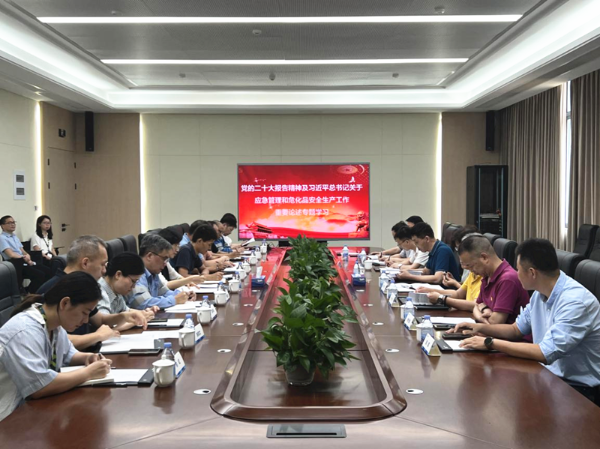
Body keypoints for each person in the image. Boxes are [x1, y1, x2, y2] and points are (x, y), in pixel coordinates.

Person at [455, 239, 600, 405]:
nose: (516, 274)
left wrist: (489, 342)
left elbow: (544, 352)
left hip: (578, 390)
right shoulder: (540, 293)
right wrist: (479, 327)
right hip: (547, 376)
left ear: (532, 273)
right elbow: (516, 330)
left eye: (518, 270)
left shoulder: (575, 302)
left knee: (501, 400)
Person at [0, 272, 113, 421]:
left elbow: (68, 354)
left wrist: (88, 357)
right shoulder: (24, 331)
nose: (86, 320)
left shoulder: (54, 325)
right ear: (65, 303)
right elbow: (40, 387)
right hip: (9, 418)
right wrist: (88, 373)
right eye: (84, 313)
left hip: (34, 411)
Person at [37, 235, 148, 351]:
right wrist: (97, 336)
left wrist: (124, 316)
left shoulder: (83, 286)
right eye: (102, 265)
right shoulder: (52, 289)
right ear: (85, 263)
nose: (104, 271)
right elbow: (57, 340)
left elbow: (100, 320)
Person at [418, 226, 483, 306]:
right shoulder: (473, 271)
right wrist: (430, 290)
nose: (463, 266)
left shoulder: (483, 273)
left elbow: (475, 304)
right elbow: (459, 293)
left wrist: (442, 298)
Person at [128, 234, 193, 310]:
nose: (165, 264)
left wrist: (184, 295)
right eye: (164, 258)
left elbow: (164, 292)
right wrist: (174, 300)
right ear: (149, 256)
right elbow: (143, 303)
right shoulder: (136, 273)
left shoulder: (153, 273)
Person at [98, 252, 158, 327]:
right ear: (118, 275)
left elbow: (127, 311)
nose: (133, 287)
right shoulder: (99, 291)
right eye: (133, 281)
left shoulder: (116, 291)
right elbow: (105, 327)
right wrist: (139, 320)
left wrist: (144, 313)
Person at [396, 222, 460, 284]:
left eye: (416, 242)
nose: (416, 246)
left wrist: (410, 276)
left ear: (427, 239)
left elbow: (438, 278)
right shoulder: (432, 250)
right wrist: (407, 272)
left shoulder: (442, 250)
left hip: (447, 289)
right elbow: (426, 271)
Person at [0, 215, 51, 293]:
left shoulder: (14, 236)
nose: (13, 224)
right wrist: (24, 257)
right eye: (9, 223)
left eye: (13, 222)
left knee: (47, 271)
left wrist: (27, 256)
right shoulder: (2, 238)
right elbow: (11, 254)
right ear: (2, 226)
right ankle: (31, 294)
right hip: (15, 264)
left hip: (24, 261)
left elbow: (22, 250)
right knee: (39, 275)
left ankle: (34, 291)